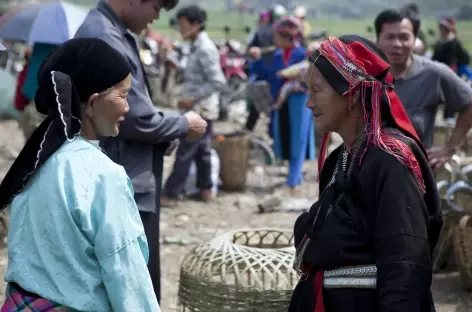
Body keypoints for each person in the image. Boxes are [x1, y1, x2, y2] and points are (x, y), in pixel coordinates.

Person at [0, 38, 160, 312]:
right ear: (93, 103)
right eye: (122, 95)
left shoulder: (34, 164)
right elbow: (126, 275)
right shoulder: (103, 176)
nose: (127, 108)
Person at [289, 35, 442, 312]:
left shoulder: (390, 160)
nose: (309, 103)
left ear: (354, 92)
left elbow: (405, 264)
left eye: (317, 90)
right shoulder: (345, 156)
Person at [74, 0, 208, 302]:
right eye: (156, 8)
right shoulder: (106, 37)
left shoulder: (109, 30)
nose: (156, 17)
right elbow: (134, 117)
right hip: (125, 174)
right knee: (131, 279)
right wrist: (181, 124)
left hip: (124, 167)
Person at [374, 9, 472, 169]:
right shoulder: (366, 75)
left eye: (404, 37)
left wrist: (449, 148)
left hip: (416, 176)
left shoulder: (433, 74)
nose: (397, 44)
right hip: (371, 173)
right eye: (390, 37)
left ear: (414, 40)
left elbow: (469, 102)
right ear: (378, 40)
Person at [162, 5, 226, 204]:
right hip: (199, 107)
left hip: (201, 108)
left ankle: (170, 192)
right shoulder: (195, 46)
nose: (180, 29)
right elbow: (195, 74)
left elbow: (218, 81)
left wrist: (193, 98)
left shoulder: (206, 49)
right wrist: (177, 65)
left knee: (186, 150)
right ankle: (206, 189)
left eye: (183, 24)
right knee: (202, 150)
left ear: (196, 25)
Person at [249, 17, 315, 193]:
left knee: (298, 140)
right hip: (280, 102)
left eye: (277, 36)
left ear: (286, 37)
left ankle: (293, 180)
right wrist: (254, 58)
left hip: (299, 101)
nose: (274, 40)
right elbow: (258, 71)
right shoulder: (274, 56)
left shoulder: (304, 54)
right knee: (284, 137)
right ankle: (295, 176)